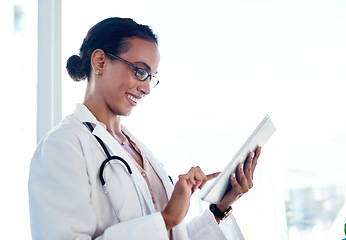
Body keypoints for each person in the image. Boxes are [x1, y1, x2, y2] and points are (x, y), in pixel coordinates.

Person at [28, 17, 261, 240]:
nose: (147, 88)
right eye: (140, 71)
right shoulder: (61, 146)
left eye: (151, 77)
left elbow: (170, 235)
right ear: (100, 61)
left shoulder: (136, 148)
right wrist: (166, 219)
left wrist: (220, 207)